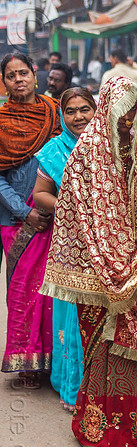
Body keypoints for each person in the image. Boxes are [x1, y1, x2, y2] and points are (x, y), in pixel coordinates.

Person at [40, 76, 137, 447]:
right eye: (119, 113)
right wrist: (117, 262)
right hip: (100, 275)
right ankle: (98, 430)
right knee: (103, 354)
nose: (127, 121)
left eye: (132, 112)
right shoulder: (84, 156)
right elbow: (79, 215)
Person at [33, 88, 96, 410]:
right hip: (70, 245)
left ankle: (100, 390)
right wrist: (70, 206)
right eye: (70, 111)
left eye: (85, 109)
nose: (78, 117)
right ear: (62, 115)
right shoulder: (54, 151)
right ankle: (71, 387)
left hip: (104, 248)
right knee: (70, 314)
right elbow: (40, 193)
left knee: (99, 316)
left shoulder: (107, 147)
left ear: (95, 110)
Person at [0, 52, 61, 388]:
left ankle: (53, 361)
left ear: (35, 74)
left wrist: (48, 207)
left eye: (23, 72)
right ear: (4, 81)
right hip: (16, 219)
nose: (19, 79)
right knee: (22, 292)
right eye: (11, 75)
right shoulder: (1, 120)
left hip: (52, 213)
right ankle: (26, 361)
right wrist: (26, 212)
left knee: (51, 293)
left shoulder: (54, 112)